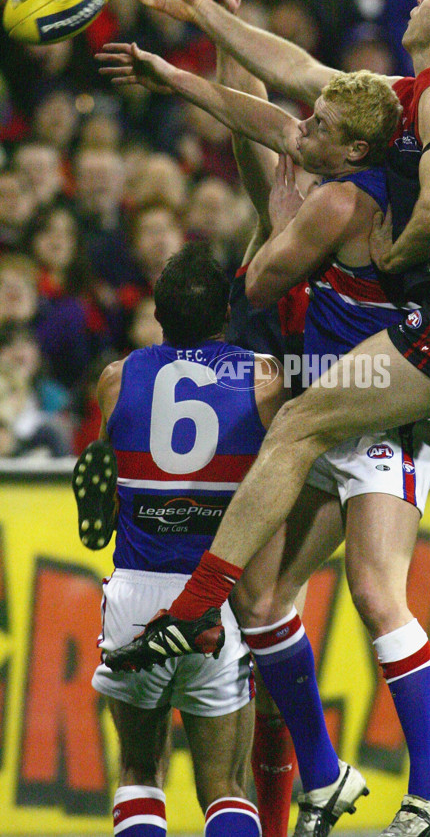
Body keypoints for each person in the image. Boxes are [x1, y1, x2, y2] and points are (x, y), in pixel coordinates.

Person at [107, 0, 430, 832]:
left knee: (308, 437)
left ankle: (197, 609)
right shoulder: (402, 106)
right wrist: (203, 27)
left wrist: (402, 265)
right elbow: (292, 86)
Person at [97, 34, 430, 835]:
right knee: (261, 605)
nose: (300, 132)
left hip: (384, 403)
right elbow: (259, 122)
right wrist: (189, 63)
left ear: (353, 146)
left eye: (318, 126)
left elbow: (263, 270)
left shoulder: (354, 201)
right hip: (321, 407)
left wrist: (277, 232)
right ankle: (324, 778)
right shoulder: (326, 180)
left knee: (373, 590)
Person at [72, 241, 287, 837]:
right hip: (217, 595)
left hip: (137, 593)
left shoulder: (116, 380)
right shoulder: (265, 380)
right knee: (225, 786)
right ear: (226, 314)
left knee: (140, 768)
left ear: (159, 315)